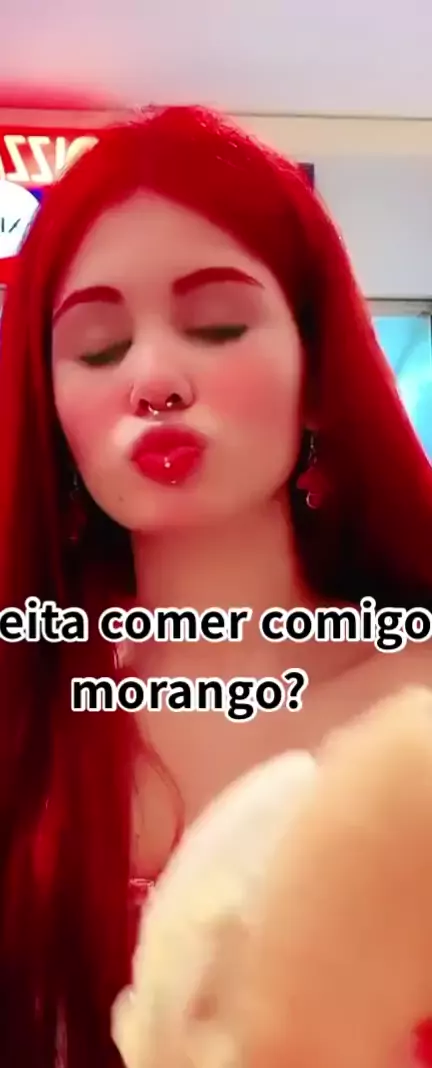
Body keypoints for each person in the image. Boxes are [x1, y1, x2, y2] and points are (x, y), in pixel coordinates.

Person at [0, 104, 431, 1068]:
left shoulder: (418, 712)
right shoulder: (25, 717)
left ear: (319, 369)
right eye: (98, 344)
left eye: (217, 324)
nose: (155, 379)